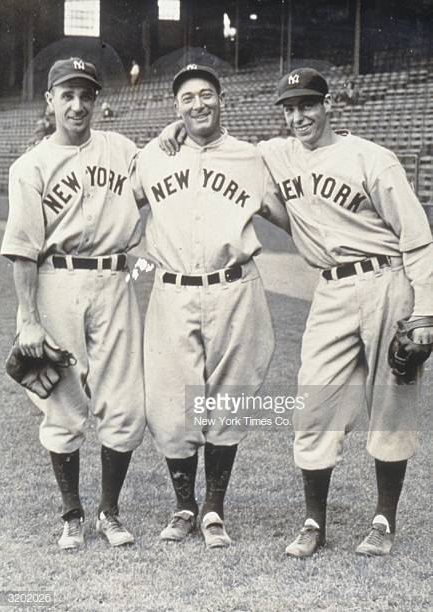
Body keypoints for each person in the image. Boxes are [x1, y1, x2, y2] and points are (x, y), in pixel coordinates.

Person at [159, 67, 433, 558]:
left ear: (329, 105)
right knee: (313, 406)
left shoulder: (373, 158)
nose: (298, 116)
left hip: (387, 281)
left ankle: (383, 521)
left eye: (308, 104)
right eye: (289, 108)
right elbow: (217, 142)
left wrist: (426, 316)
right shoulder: (274, 153)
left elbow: (418, 240)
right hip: (329, 289)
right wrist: (175, 128)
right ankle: (314, 523)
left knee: (390, 406)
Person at [131, 64, 289, 549]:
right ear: (175, 108)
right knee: (170, 402)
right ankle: (184, 506)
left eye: (206, 95)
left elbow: (291, 218)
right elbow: (110, 205)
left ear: (223, 100)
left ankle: (214, 508)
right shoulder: (153, 157)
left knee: (229, 398)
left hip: (235, 287)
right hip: (172, 290)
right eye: (187, 99)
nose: (197, 105)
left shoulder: (251, 157)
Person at [1, 57, 146, 550]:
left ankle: (110, 512)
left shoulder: (123, 149)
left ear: (97, 101)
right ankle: (72, 513)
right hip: (55, 280)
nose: (78, 105)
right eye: (68, 95)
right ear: (50, 101)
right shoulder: (31, 166)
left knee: (124, 401)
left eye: (87, 95)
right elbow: (21, 250)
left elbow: (162, 175)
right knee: (62, 401)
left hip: (114, 281)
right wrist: (28, 321)